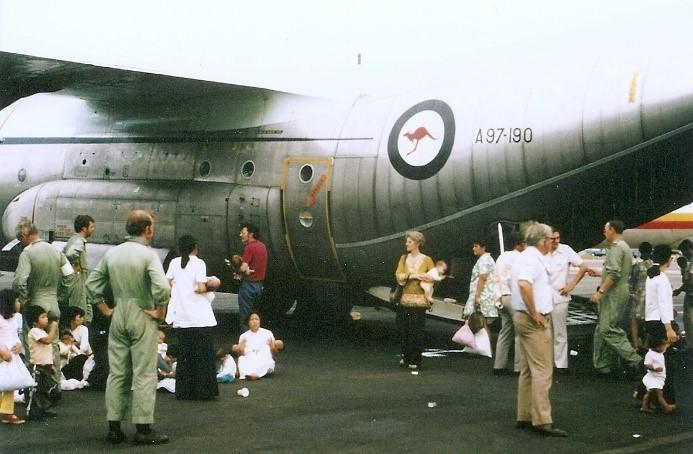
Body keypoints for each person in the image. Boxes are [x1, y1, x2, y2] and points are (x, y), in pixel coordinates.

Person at [85, 210, 171, 445]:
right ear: (147, 229)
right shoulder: (148, 255)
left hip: (119, 313)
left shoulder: (113, 253)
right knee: (144, 373)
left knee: (118, 372)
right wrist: (160, 311)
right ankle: (143, 428)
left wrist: (104, 309)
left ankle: (114, 427)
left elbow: (92, 284)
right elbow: (162, 288)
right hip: (142, 313)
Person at [512, 222, 567, 437]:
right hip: (533, 320)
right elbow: (524, 285)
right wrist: (535, 313)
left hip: (522, 317)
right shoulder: (532, 259)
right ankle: (542, 420)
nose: (552, 243)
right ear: (543, 241)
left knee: (528, 370)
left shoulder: (524, 257)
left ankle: (524, 415)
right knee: (543, 371)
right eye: (550, 239)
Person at [13, 220, 73, 385]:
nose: (20, 241)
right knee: (53, 345)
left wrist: (24, 299)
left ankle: (36, 387)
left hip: (35, 304)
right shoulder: (56, 251)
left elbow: (20, 281)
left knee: (33, 348)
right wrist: (60, 295)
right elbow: (70, 275)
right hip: (53, 303)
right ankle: (54, 385)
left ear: (25, 235)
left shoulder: (27, 253)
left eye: (20, 238)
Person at [165, 234, 221, 401]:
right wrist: (214, 283)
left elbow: (167, 282)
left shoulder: (174, 263)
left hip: (182, 316)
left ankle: (184, 391)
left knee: (185, 356)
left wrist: (179, 288)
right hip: (200, 316)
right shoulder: (199, 263)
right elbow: (200, 288)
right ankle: (204, 391)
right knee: (203, 356)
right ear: (194, 247)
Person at [591, 220, 642, 376]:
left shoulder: (616, 248)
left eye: (606, 230)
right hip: (619, 291)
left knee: (608, 328)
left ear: (612, 230)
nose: (604, 233)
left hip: (613, 294)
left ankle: (635, 360)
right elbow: (618, 271)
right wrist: (600, 273)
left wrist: (600, 292)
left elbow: (614, 273)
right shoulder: (624, 247)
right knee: (602, 328)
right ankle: (602, 364)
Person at [546, 228, 592, 373]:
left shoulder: (565, 250)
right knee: (546, 333)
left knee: (560, 332)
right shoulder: (540, 251)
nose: (556, 242)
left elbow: (583, 267)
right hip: (544, 298)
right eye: (553, 239)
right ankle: (547, 363)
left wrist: (571, 285)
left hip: (560, 297)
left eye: (558, 238)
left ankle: (560, 365)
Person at [644, 244, 680, 403]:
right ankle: (665, 400)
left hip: (651, 320)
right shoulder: (662, 279)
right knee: (666, 363)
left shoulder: (651, 275)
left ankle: (643, 394)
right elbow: (664, 304)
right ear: (670, 259)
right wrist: (669, 328)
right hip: (660, 322)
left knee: (655, 359)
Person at [395, 231, 435, 370]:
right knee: (405, 330)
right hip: (405, 300)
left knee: (416, 331)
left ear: (417, 243)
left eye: (409, 241)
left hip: (420, 301)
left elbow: (434, 276)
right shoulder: (403, 258)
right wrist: (414, 276)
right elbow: (399, 276)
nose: (406, 243)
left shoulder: (427, 259)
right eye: (407, 241)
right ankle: (406, 357)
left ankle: (415, 359)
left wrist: (422, 276)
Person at [493, 232, 525, 375]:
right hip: (514, 297)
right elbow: (516, 279)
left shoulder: (501, 257)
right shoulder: (520, 258)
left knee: (505, 332)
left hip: (502, 297)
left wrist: (497, 297)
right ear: (519, 244)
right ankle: (518, 368)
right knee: (520, 334)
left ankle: (498, 365)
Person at [60, 215, 96, 324]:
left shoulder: (75, 240)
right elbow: (71, 254)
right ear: (84, 228)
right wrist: (74, 263)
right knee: (79, 315)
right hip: (79, 282)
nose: (93, 230)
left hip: (79, 281)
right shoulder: (79, 241)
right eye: (91, 227)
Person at [25, 305, 59, 419]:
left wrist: (52, 365)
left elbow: (47, 351)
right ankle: (33, 411)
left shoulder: (42, 331)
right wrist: (53, 328)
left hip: (46, 366)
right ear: (34, 321)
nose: (46, 319)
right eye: (43, 317)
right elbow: (48, 341)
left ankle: (44, 409)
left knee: (45, 389)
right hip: (37, 366)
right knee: (36, 390)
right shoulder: (34, 331)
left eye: (46, 317)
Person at [0, 289, 25, 424]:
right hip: (2, 354)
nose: (19, 303)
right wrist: (2, 352)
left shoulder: (17, 318)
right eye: (16, 300)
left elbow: (18, 335)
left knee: (10, 383)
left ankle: (7, 411)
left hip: (11, 354)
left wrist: (19, 345)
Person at [237, 223, 268, 332]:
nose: (241, 235)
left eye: (243, 233)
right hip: (259, 286)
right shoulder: (262, 246)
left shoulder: (249, 247)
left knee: (245, 316)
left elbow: (243, 267)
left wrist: (238, 268)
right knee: (255, 316)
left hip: (248, 286)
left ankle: (245, 341)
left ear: (251, 234)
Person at [234, 312, 283, 380]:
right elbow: (240, 354)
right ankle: (249, 374)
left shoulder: (268, 333)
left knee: (265, 350)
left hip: (263, 357)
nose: (254, 321)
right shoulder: (243, 336)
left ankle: (256, 374)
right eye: (252, 319)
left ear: (260, 321)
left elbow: (274, 353)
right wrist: (241, 350)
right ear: (248, 322)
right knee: (242, 359)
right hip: (249, 357)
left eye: (257, 319)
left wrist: (273, 348)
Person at [463, 239, 500, 324]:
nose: (473, 248)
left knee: (479, 324)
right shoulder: (486, 259)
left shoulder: (484, 260)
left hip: (483, 296)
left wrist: (477, 296)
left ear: (483, 248)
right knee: (481, 324)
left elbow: (482, 278)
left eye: (476, 246)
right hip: (484, 295)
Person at [640, 337, 676, 414]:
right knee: (660, 394)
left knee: (649, 393)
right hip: (653, 378)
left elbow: (666, 345)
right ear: (656, 347)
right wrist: (655, 369)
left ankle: (644, 407)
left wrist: (670, 341)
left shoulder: (660, 352)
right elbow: (647, 365)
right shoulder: (650, 354)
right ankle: (666, 407)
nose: (664, 348)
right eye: (662, 346)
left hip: (658, 378)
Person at [629, 242, 653, 351]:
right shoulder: (652, 265)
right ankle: (644, 344)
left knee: (636, 320)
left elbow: (632, 281)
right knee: (647, 320)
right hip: (647, 296)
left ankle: (637, 344)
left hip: (640, 295)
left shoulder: (638, 265)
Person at [673, 239, 692, 349]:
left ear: (690, 249)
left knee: (689, 321)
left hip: (691, 295)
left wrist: (683, 269)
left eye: (684, 252)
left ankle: (690, 347)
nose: (684, 255)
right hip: (690, 294)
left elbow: (690, 280)